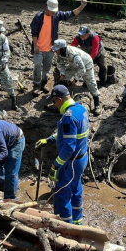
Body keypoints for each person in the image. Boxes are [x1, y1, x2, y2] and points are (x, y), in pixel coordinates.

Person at [35, 85, 89, 225]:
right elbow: (69, 134)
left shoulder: (68, 117)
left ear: (59, 100)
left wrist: (55, 165)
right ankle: (78, 223)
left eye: (54, 102)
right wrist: (50, 139)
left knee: (61, 194)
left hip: (70, 162)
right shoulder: (81, 109)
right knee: (76, 189)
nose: (54, 105)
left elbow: (69, 147)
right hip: (81, 159)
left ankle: (64, 227)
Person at [30, 0, 87, 95]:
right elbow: (34, 32)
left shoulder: (56, 16)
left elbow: (71, 13)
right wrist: (35, 45)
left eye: (54, 11)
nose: (53, 13)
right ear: (46, 7)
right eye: (51, 11)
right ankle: (36, 85)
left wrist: (82, 6)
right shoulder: (38, 17)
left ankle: (43, 84)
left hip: (50, 48)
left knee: (47, 68)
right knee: (37, 66)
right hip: (38, 48)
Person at [52, 39, 102, 116]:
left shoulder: (74, 55)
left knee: (91, 84)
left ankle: (97, 105)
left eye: (56, 50)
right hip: (73, 65)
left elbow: (82, 69)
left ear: (62, 49)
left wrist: (75, 80)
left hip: (86, 65)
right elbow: (60, 64)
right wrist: (62, 73)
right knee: (64, 79)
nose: (55, 51)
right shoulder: (60, 53)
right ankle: (64, 101)